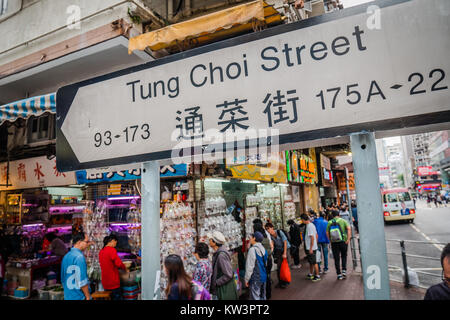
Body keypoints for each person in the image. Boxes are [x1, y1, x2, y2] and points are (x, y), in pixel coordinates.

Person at [61, 232, 91, 300]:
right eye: (87, 242)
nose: (88, 244)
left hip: (68, 295)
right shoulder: (79, 257)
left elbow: (63, 277)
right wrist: (87, 296)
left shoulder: (66, 256)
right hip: (79, 296)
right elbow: (82, 281)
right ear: (79, 242)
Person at [209, 231, 238, 300]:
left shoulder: (221, 256)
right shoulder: (220, 252)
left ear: (214, 242)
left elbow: (228, 274)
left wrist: (216, 283)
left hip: (221, 289)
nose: (209, 241)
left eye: (210, 239)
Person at [99, 234, 127, 300]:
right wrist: (125, 267)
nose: (115, 245)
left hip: (105, 282)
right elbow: (119, 264)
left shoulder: (101, 251)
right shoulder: (111, 250)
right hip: (113, 282)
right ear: (111, 241)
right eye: (115, 242)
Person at [326, 211, 351, 280]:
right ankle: (344, 271)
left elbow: (327, 232)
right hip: (343, 241)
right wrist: (348, 239)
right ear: (339, 215)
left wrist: (330, 240)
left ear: (333, 215)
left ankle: (339, 274)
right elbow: (349, 229)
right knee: (344, 256)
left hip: (334, 242)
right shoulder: (343, 221)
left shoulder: (330, 222)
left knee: (336, 258)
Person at [265, 222, 290, 289]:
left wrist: (284, 253)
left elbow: (285, 242)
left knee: (285, 265)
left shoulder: (279, 232)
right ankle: (281, 282)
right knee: (279, 267)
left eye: (268, 228)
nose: (268, 230)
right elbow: (272, 245)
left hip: (285, 249)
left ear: (272, 227)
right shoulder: (270, 236)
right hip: (278, 251)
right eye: (266, 229)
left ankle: (285, 280)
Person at [245, 232, 268, 300]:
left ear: (254, 238)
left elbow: (250, 267)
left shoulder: (252, 250)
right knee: (263, 296)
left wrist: (246, 279)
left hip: (256, 278)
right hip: (263, 276)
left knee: (255, 297)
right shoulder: (263, 249)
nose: (250, 239)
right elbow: (265, 263)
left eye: (251, 238)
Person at [253, 221, 273, 299]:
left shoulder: (258, 239)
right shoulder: (265, 236)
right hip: (268, 260)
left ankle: (263, 295)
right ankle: (268, 294)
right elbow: (270, 247)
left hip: (263, 261)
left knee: (262, 278)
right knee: (267, 277)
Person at [301, 214, 321, 282]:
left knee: (314, 262)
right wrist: (315, 244)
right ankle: (311, 273)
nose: (302, 221)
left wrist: (311, 248)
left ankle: (317, 275)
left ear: (303, 219)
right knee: (311, 261)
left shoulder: (309, 226)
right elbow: (316, 235)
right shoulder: (310, 225)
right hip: (311, 246)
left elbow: (312, 237)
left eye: (302, 220)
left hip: (311, 247)